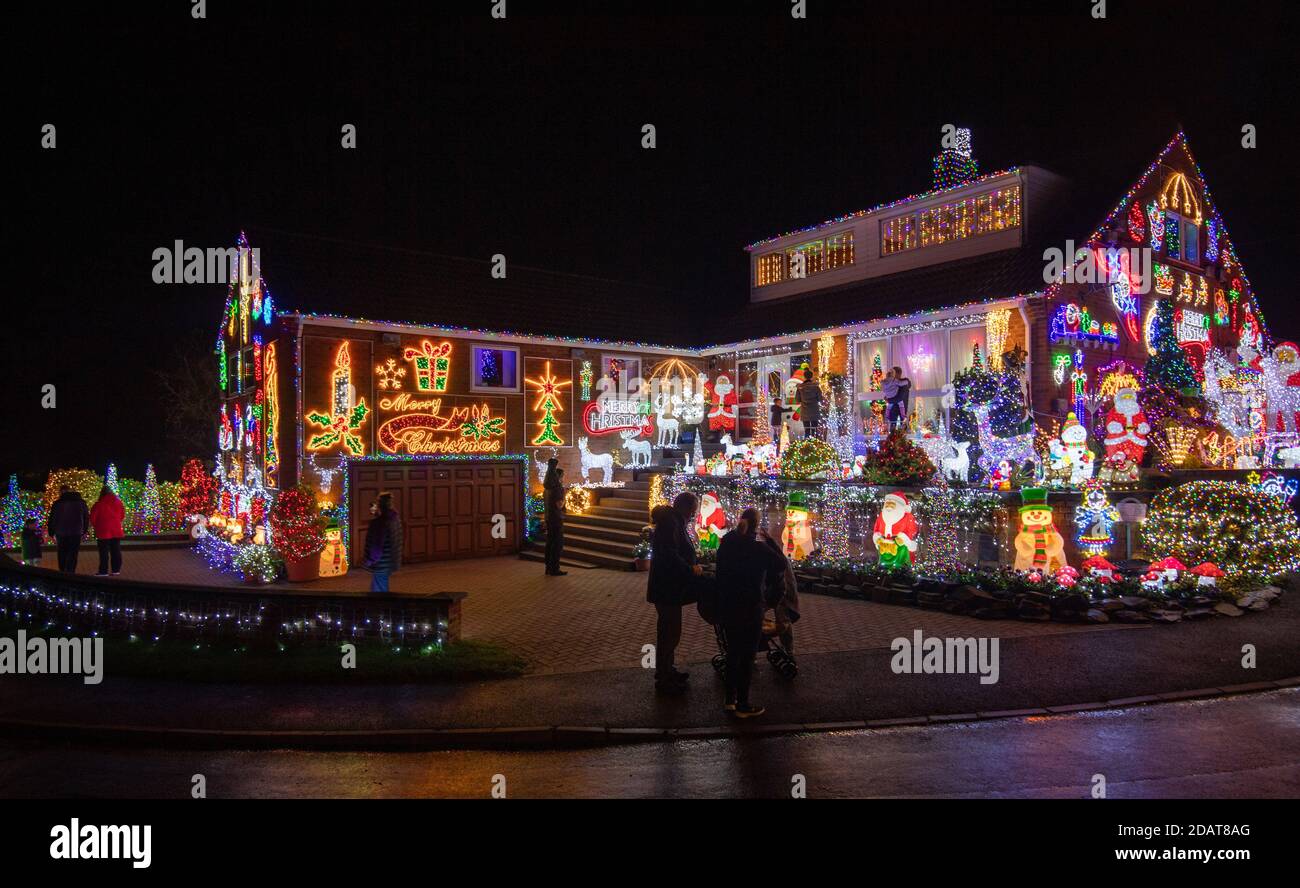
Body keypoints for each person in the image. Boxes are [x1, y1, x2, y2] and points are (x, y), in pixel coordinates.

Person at [715, 507, 787, 718]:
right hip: (750, 606)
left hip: (728, 604)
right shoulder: (757, 549)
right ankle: (743, 704)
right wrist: (771, 541)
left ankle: (729, 700)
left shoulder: (726, 545)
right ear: (757, 525)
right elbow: (780, 563)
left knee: (732, 653)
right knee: (746, 656)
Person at [646, 491, 700, 694]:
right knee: (669, 633)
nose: (693, 516)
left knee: (670, 632)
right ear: (685, 508)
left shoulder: (673, 520)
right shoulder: (671, 522)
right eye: (693, 512)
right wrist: (690, 569)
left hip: (668, 587)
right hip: (667, 587)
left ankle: (667, 670)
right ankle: (663, 677)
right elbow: (671, 553)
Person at [759, 524, 800, 659]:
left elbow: (780, 586)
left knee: (783, 619)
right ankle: (786, 650)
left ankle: (788, 651)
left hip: (783, 591)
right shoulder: (773, 555)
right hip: (777, 589)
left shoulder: (777, 562)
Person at [363, 492, 402, 593]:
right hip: (390, 561)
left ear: (380, 504)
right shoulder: (395, 518)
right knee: (381, 585)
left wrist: (370, 560)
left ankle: (382, 608)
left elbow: (377, 545)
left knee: (378, 591)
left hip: (381, 563)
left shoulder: (380, 522)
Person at [47, 484, 89, 573]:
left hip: (61, 532)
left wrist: (51, 531)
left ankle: (62, 571)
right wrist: (84, 530)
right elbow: (86, 518)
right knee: (73, 553)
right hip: (76, 531)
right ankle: (71, 572)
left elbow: (53, 518)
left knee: (62, 552)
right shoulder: (81, 503)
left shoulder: (58, 503)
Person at [89, 485, 126, 576]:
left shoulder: (98, 504)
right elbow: (122, 515)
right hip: (116, 530)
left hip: (103, 531)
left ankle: (103, 571)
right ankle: (116, 570)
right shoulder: (119, 502)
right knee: (116, 550)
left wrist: (96, 526)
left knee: (104, 552)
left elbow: (93, 518)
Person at [542, 458, 567, 576]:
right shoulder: (557, 488)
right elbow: (559, 505)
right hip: (556, 519)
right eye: (562, 476)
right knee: (557, 544)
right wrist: (564, 499)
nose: (563, 479)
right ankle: (554, 568)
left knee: (549, 543)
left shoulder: (546, 488)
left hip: (548, 517)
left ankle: (548, 567)